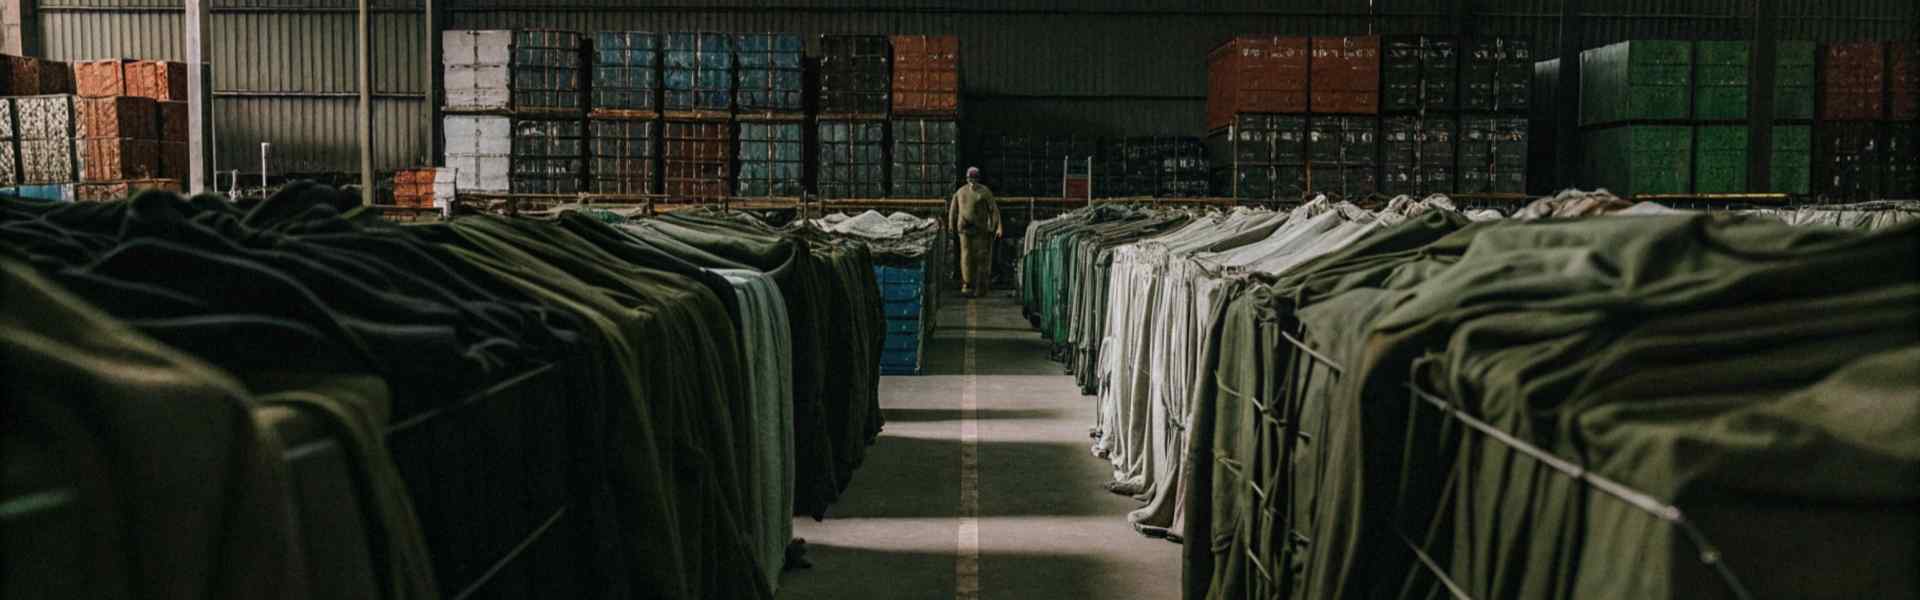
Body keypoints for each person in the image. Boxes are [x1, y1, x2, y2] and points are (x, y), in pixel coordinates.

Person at [948, 166, 1001, 298]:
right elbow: (953, 210)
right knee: (965, 256)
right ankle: (967, 283)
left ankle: (980, 285)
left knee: (980, 257)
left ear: (978, 179)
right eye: (970, 179)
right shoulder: (960, 192)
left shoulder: (984, 192)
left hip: (980, 229)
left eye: (975, 178)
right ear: (967, 179)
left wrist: (995, 226)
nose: (972, 182)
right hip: (964, 228)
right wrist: (950, 225)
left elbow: (994, 209)